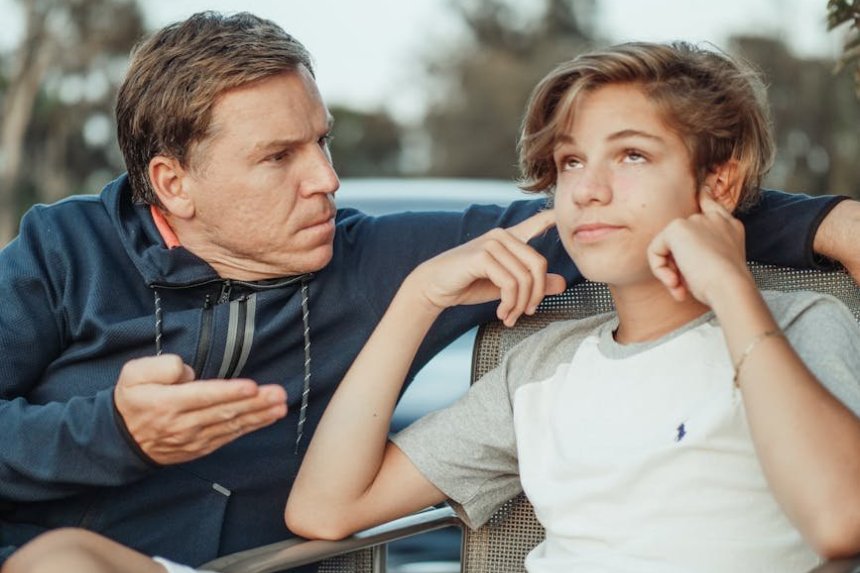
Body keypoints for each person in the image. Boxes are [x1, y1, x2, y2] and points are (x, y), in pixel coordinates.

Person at [0, 10, 858, 572]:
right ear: (172, 183)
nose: (327, 180)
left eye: (322, 142)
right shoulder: (61, 252)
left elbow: (607, 218)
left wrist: (827, 221)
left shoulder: (377, 256)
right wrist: (112, 433)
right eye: (279, 157)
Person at [284, 42, 860, 572]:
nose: (588, 190)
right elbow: (325, 509)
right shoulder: (540, 371)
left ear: (719, 185)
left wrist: (731, 288)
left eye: (631, 155)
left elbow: (841, 521)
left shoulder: (797, 323)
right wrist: (419, 298)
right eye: (571, 163)